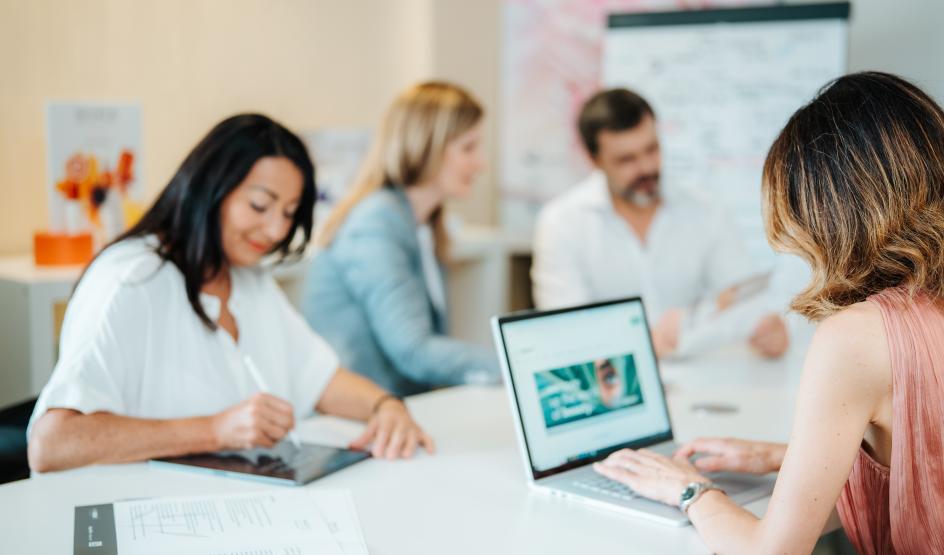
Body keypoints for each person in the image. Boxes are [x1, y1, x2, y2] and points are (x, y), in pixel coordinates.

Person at [594, 72, 944, 553]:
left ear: (829, 216)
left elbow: (771, 551)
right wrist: (782, 457)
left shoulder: (858, 337)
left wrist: (688, 490)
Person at [27, 114, 433, 472]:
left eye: (289, 214)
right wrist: (214, 430)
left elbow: (321, 380)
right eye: (260, 206)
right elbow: (51, 444)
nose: (276, 230)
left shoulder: (249, 280)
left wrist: (386, 407)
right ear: (210, 189)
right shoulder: (131, 280)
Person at [532, 88, 788, 359]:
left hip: (700, 383)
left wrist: (768, 328)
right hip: (616, 384)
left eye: (651, 149)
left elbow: (743, 299)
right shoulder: (561, 223)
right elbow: (566, 332)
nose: (645, 168)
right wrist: (640, 342)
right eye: (626, 160)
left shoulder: (705, 210)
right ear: (594, 160)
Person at [303, 82, 499, 397]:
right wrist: (514, 365)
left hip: (401, 411)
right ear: (427, 147)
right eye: (468, 148)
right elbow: (413, 350)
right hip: (360, 418)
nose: (481, 163)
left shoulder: (425, 224)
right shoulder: (376, 223)